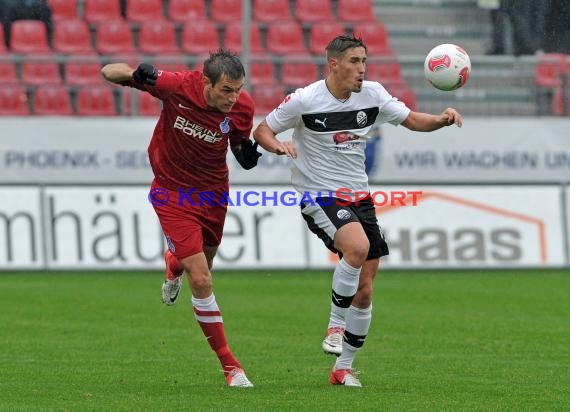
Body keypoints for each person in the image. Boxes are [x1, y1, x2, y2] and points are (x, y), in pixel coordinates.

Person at [252, 35, 463, 387]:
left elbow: (411, 120)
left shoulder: (374, 95)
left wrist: (441, 119)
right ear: (333, 64)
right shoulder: (305, 100)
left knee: (365, 289)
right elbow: (262, 129)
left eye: (364, 61)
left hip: (359, 198)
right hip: (318, 195)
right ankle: (335, 326)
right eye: (353, 61)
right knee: (357, 247)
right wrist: (277, 146)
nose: (361, 69)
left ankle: (343, 368)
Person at [101, 49, 261, 388]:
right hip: (171, 192)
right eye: (226, 90)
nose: (234, 98)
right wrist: (136, 74)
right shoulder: (174, 86)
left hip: (213, 193)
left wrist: (244, 154)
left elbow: (237, 141)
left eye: (238, 89)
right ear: (206, 82)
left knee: (203, 262)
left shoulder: (243, 107)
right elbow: (108, 71)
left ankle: (173, 263)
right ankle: (231, 367)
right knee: (201, 280)